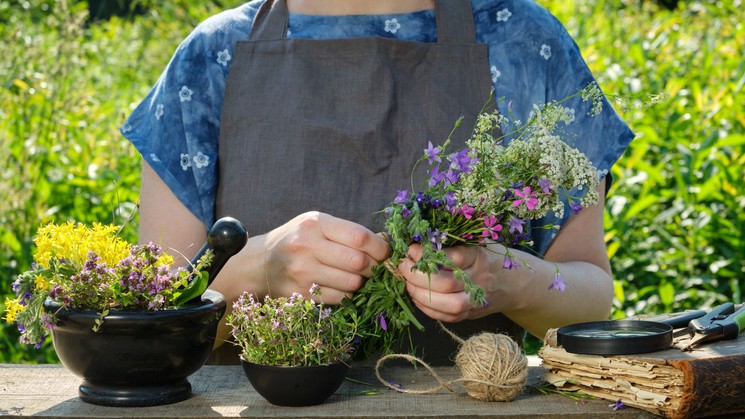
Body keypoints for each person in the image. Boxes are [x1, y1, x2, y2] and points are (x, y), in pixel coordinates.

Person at [122, 0, 634, 365]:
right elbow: (143, 330)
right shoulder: (210, 59)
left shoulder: (524, 43)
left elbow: (590, 299)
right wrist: (256, 268)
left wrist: (510, 278)